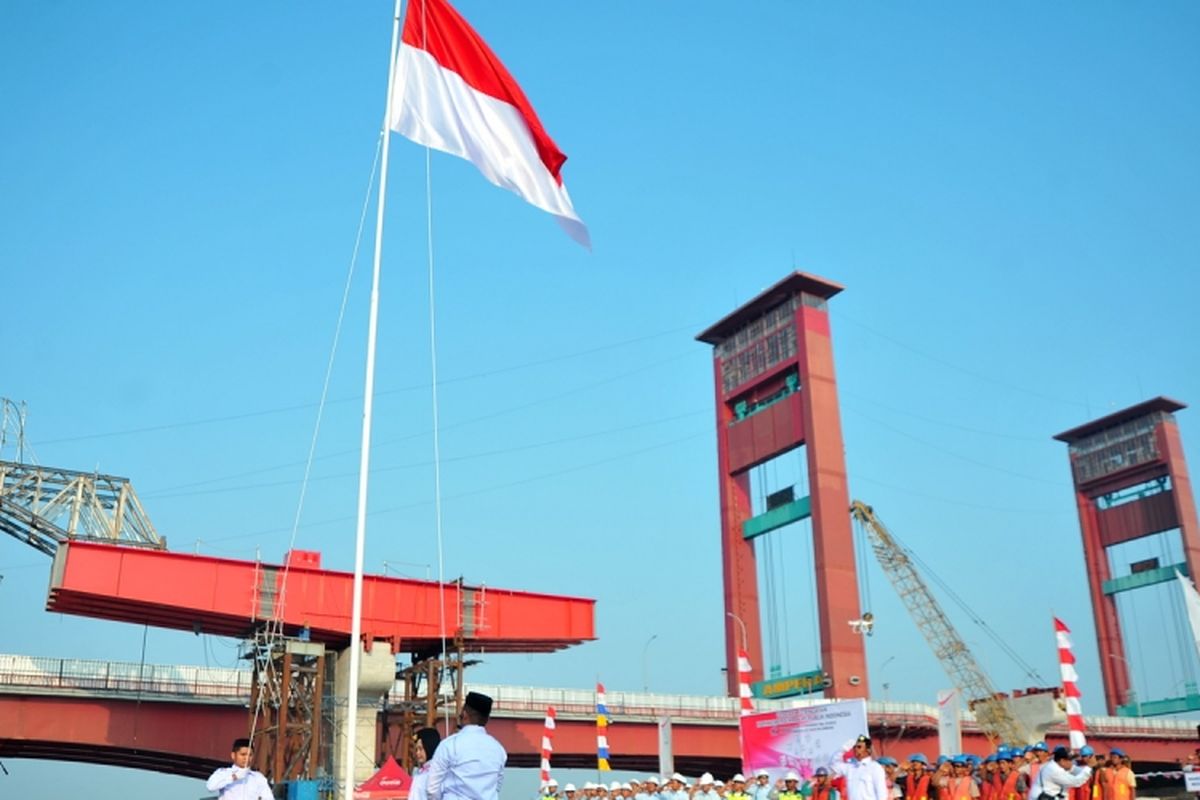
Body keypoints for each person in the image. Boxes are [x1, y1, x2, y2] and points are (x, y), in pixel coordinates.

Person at [426, 691, 507, 800]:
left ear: (464, 714)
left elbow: (432, 789)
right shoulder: (499, 750)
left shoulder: (449, 745)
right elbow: (497, 787)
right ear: (487, 720)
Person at [205, 737, 272, 800]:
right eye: (243, 754)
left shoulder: (258, 777)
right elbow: (210, 787)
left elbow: (268, 798)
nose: (246, 758)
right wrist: (234, 777)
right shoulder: (224, 773)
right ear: (233, 755)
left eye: (250, 755)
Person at [829, 735, 890, 800]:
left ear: (868, 750)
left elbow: (881, 793)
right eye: (854, 747)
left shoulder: (875, 768)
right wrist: (844, 749)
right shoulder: (850, 767)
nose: (855, 749)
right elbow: (833, 765)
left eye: (859, 747)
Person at [1027, 747, 1091, 800]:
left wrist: (1091, 770)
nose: (1072, 762)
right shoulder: (1053, 770)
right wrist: (1089, 768)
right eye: (1070, 760)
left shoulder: (1056, 766)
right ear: (1062, 761)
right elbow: (1076, 782)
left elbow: (1074, 769)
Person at [410, 728, 444, 800]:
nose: (417, 753)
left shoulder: (436, 772)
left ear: (429, 746)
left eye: (421, 749)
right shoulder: (419, 772)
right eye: (416, 749)